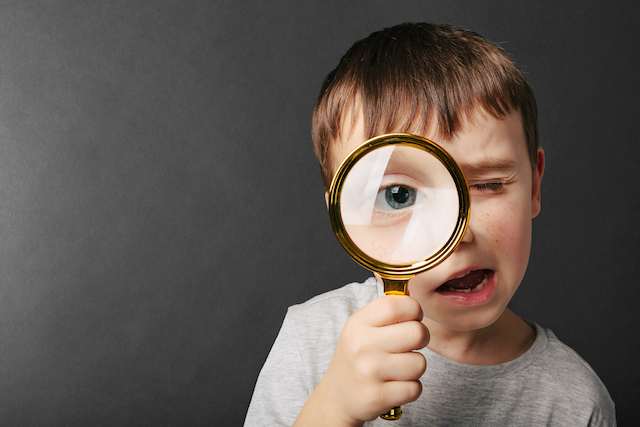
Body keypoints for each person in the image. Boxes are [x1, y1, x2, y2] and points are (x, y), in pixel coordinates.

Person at [244, 22, 616, 426]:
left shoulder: (576, 402)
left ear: (534, 187)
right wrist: (333, 408)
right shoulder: (311, 341)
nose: (458, 235)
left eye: (488, 183)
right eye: (398, 195)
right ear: (345, 221)